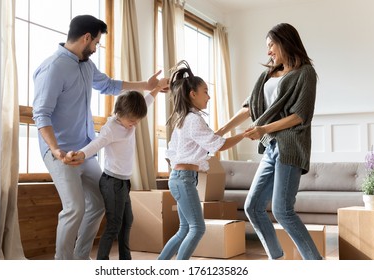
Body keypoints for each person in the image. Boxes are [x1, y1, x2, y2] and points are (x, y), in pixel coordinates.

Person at [32, 14, 162, 260]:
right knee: (74, 208)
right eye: (96, 43)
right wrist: (57, 151)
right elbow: (41, 115)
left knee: (100, 202)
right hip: (61, 152)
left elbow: (110, 85)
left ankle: (81, 257)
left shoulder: (86, 66)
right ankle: (63, 263)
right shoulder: (52, 68)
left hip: (85, 150)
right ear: (86, 38)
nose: (96, 48)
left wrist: (147, 85)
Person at [216, 23, 322, 260]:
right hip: (272, 147)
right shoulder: (268, 74)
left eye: (271, 45)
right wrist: (221, 130)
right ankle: (278, 260)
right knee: (252, 207)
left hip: (291, 146)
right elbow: (249, 108)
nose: (268, 52)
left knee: (282, 211)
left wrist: (263, 128)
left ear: (285, 41)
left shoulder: (305, 73)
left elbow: (299, 115)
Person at [64, 78, 169, 260]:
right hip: (112, 182)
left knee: (127, 221)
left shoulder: (131, 115)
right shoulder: (111, 128)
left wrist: (158, 87)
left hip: (123, 182)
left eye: (137, 121)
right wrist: (81, 154)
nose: (134, 124)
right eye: (131, 121)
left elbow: (146, 101)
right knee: (114, 225)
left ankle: (124, 260)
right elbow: (97, 144)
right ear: (119, 113)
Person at [157, 61, 249, 260]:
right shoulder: (193, 120)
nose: (209, 96)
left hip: (181, 178)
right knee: (197, 228)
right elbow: (219, 145)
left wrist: (225, 133)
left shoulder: (186, 119)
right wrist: (243, 135)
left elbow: (208, 142)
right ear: (193, 94)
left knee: (184, 230)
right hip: (183, 179)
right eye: (205, 92)